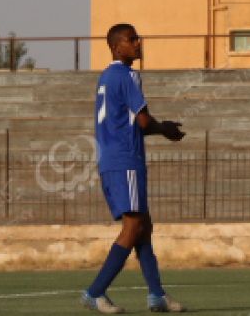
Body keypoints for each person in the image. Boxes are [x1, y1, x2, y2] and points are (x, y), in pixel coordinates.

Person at [81, 24, 186, 313]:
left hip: (111, 159)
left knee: (144, 228)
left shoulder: (106, 76)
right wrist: (165, 129)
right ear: (117, 47)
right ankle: (95, 291)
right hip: (125, 159)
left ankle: (156, 295)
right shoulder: (128, 75)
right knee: (133, 227)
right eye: (131, 39)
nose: (138, 43)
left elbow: (124, 121)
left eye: (138, 38)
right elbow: (142, 122)